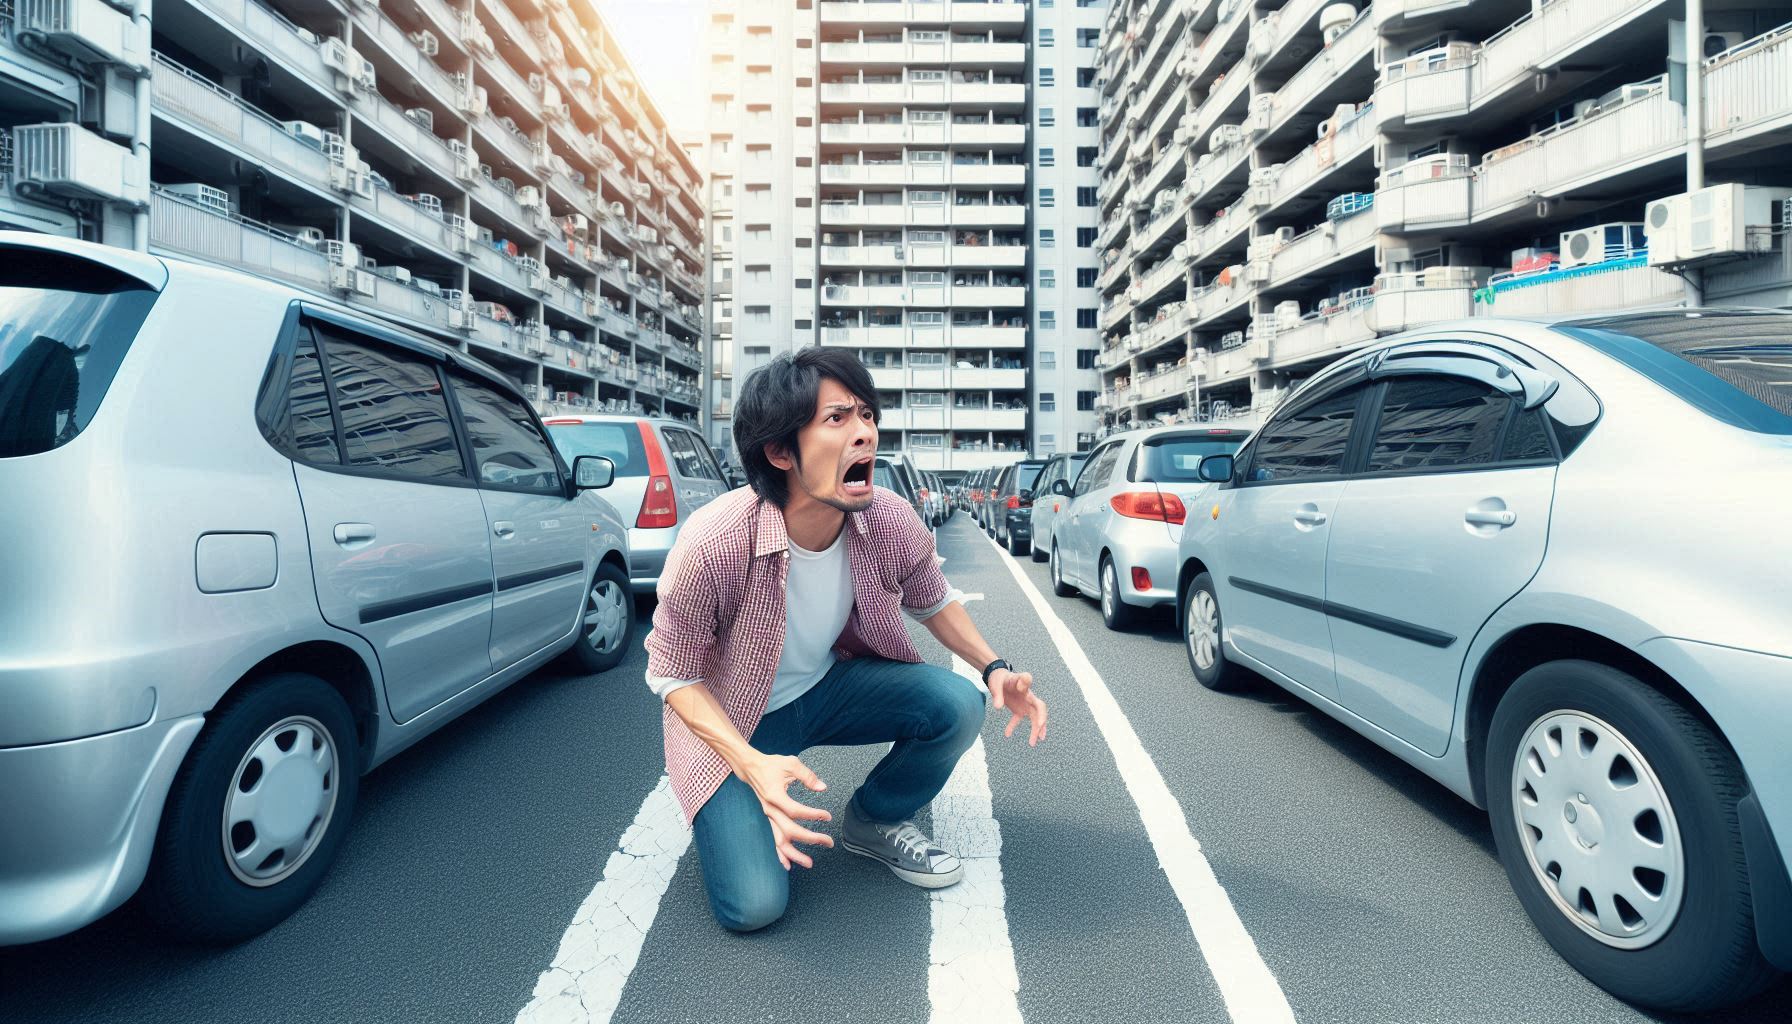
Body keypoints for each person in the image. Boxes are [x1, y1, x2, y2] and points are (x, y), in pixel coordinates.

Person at [643, 347, 1049, 932]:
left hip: (827, 688)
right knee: (755, 906)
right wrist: (752, 765)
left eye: (866, 415)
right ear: (781, 451)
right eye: (837, 419)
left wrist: (994, 669)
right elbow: (671, 673)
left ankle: (872, 819)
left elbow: (931, 598)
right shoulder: (716, 539)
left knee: (958, 702)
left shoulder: (887, 516)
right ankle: (734, 808)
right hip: (736, 723)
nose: (864, 433)